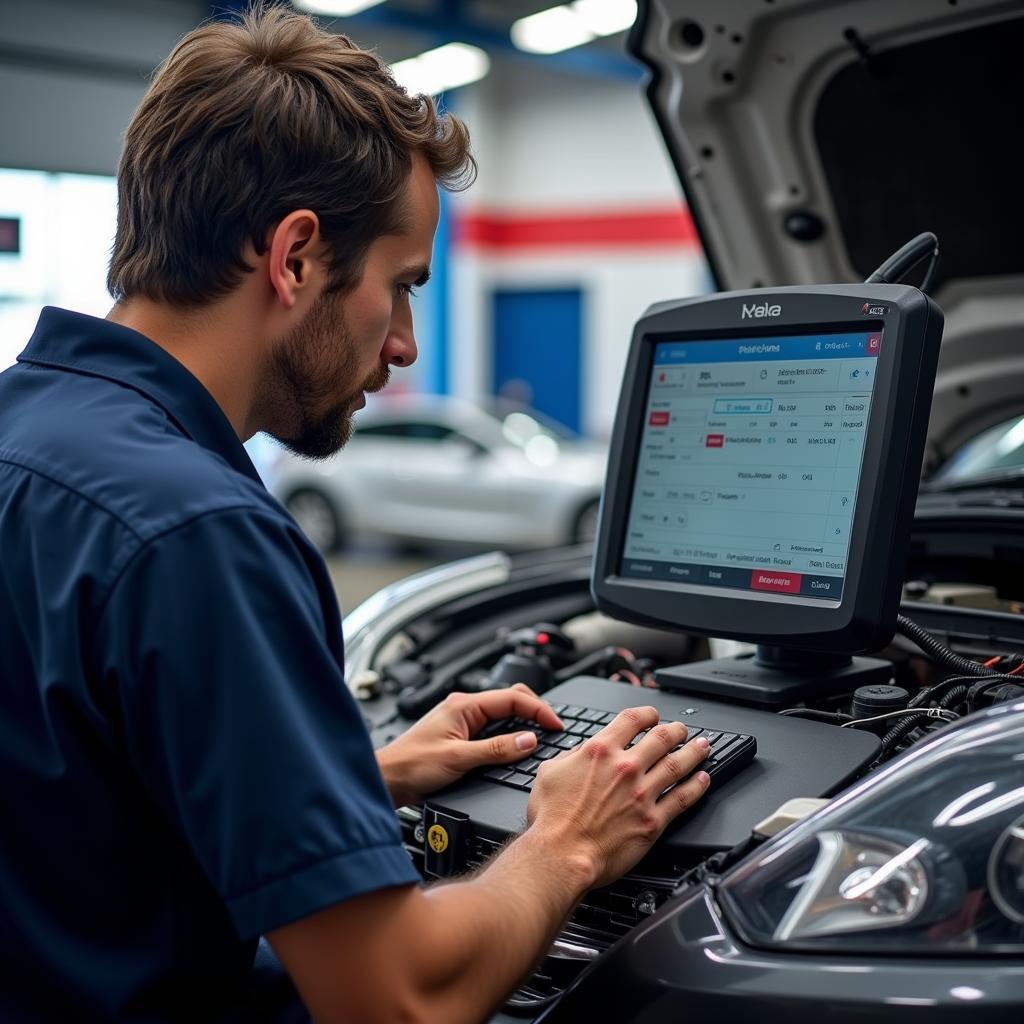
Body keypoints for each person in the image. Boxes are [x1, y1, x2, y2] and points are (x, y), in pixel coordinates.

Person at [0, 6, 711, 1022]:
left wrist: (355, 779)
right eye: (401, 287)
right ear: (294, 258)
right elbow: (394, 997)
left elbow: (75, 807)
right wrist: (569, 841)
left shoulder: (24, 432)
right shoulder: (195, 533)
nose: (407, 344)